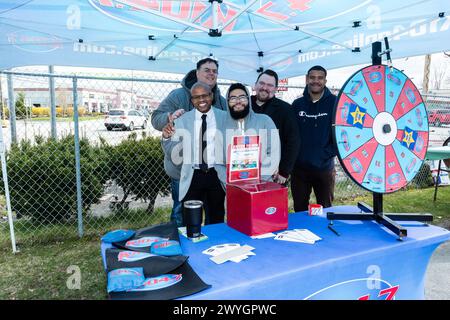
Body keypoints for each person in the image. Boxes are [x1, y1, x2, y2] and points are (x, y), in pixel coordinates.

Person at [152, 58, 227, 226]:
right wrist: (169, 117)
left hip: (214, 172)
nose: (211, 74)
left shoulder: (221, 101)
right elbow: (156, 118)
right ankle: (182, 249)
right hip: (184, 171)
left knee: (215, 219)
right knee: (182, 218)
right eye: (207, 70)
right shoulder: (178, 95)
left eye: (214, 71)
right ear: (197, 72)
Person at [291, 65, 337, 212]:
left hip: (324, 168)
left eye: (320, 78)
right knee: (300, 210)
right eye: (312, 77)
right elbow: (291, 135)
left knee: (325, 211)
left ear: (325, 80)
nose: (315, 81)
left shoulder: (335, 103)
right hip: (300, 170)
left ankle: (325, 235)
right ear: (306, 79)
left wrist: (325, 154)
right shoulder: (297, 105)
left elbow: (342, 134)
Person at [215, 83, 280, 185]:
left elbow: (274, 153)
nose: (238, 101)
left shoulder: (264, 121)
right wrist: (230, 182)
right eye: (233, 98)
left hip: (261, 186)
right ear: (227, 102)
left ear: (248, 99)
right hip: (232, 188)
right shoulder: (221, 127)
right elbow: (218, 162)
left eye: (242, 97)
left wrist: (256, 180)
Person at [251, 69, 300, 185]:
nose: (264, 88)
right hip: (245, 170)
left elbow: (293, 141)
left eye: (270, 85)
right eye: (262, 83)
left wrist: (284, 171)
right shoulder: (244, 105)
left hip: (273, 173)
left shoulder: (285, 110)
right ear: (255, 85)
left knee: (270, 203)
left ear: (276, 89)